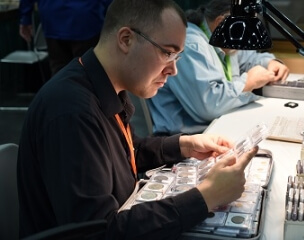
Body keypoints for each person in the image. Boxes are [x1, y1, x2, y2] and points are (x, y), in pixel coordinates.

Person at [17, 0, 258, 239]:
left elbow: (121, 154)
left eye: (177, 56)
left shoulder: (102, 84)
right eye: (167, 53)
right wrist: (205, 197)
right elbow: (99, 232)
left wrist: (184, 145)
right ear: (126, 39)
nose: (173, 70)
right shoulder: (72, 111)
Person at [147, 0, 290, 136]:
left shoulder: (227, 39)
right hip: (184, 140)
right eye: (244, 28)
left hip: (214, 128)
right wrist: (247, 83)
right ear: (221, 22)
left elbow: (248, 59)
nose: (246, 37)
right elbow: (209, 106)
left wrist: (271, 62)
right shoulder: (191, 45)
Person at [19, 0, 112, 75]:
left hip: (53, 17)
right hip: (85, 17)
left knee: (59, 73)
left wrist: (25, 18)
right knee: (88, 73)